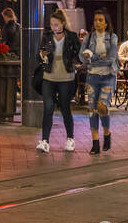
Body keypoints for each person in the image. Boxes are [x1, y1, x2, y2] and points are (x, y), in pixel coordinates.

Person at [38, 10, 80, 153]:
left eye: (56, 24)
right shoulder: (47, 36)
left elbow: (78, 55)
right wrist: (43, 55)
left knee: (65, 108)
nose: (54, 27)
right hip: (49, 76)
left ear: (62, 23)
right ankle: (45, 140)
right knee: (48, 108)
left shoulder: (71, 37)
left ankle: (70, 138)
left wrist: (76, 60)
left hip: (66, 77)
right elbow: (40, 54)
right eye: (51, 24)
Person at [80, 10, 119, 154]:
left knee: (102, 106)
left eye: (100, 20)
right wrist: (95, 57)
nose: (97, 23)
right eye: (95, 20)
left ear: (106, 23)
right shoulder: (88, 37)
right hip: (92, 77)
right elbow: (81, 56)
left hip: (108, 76)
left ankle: (107, 133)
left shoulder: (112, 37)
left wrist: (92, 58)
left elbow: (112, 57)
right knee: (92, 109)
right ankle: (95, 143)